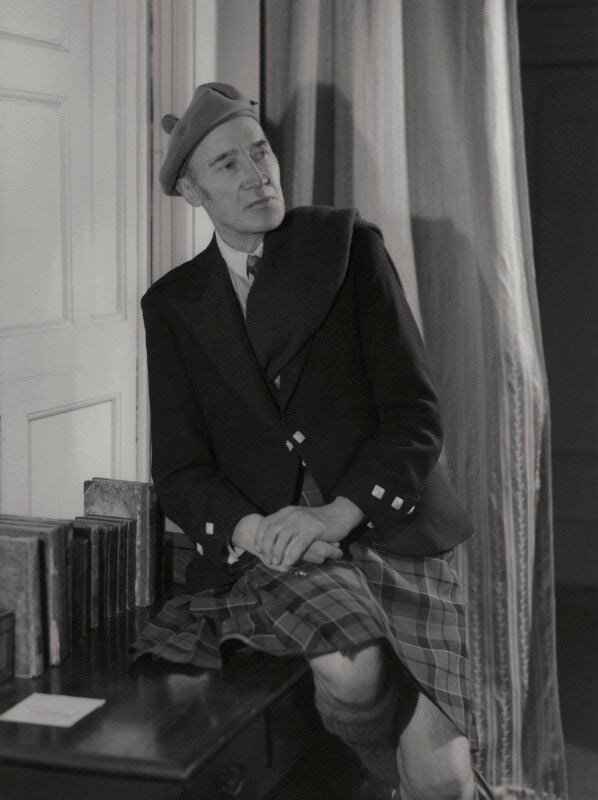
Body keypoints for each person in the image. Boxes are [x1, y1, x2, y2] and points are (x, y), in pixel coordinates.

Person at [133, 83, 494, 800]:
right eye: (228, 164)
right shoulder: (172, 305)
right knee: (354, 674)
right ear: (192, 192)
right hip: (281, 546)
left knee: (445, 786)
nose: (257, 175)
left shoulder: (347, 248)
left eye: (260, 153)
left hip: (393, 526)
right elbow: (180, 468)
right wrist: (258, 532)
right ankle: (379, 778)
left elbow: (415, 414)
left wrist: (335, 515)